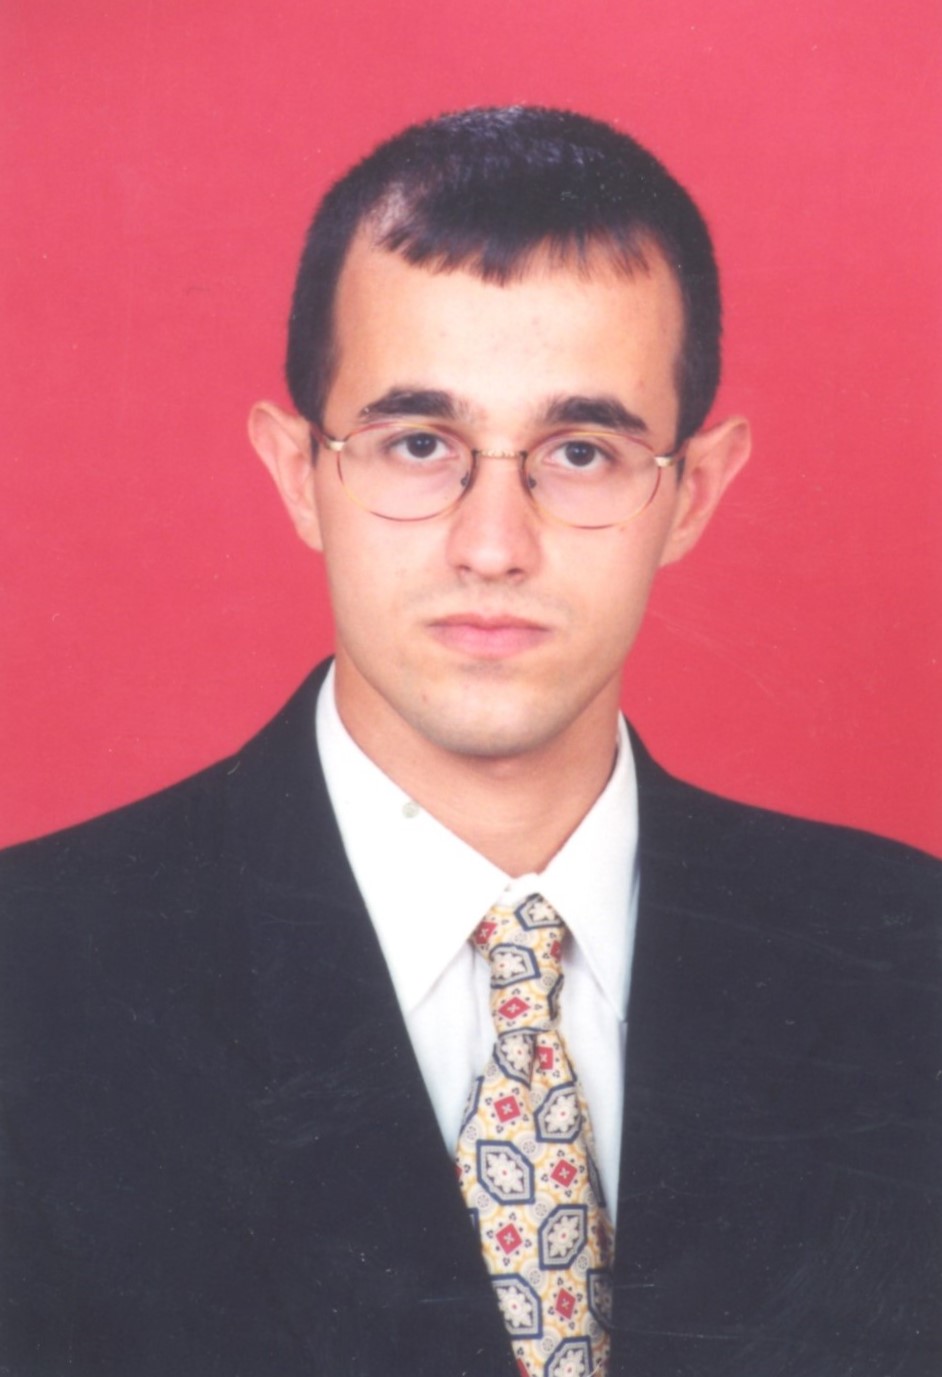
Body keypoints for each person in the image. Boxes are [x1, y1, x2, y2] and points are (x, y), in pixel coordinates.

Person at [1, 106, 938, 1377]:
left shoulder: (908, 968)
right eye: (419, 444)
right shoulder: (33, 983)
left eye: (582, 451)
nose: (493, 544)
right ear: (298, 472)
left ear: (693, 493)